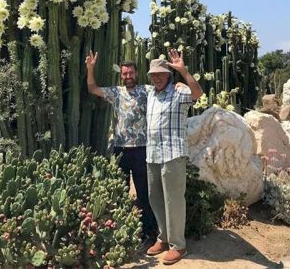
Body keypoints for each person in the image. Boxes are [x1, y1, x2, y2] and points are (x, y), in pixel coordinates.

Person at [85, 52, 158, 244]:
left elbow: (163, 87)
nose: (128, 76)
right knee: (121, 190)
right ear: (121, 75)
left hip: (142, 149)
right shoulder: (116, 92)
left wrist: (179, 80)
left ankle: (147, 231)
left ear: (136, 73)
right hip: (120, 149)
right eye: (125, 74)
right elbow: (92, 88)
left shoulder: (147, 90)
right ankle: (121, 228)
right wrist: (90, 68)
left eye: (131, 73)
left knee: (143, 193)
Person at [143, 49, 203, 265]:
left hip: (172, 154)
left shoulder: (179, 91)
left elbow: (198, 94)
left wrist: (184, 71)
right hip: (152, 154)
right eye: (153, 74)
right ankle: (164, 238)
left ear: (168, 75)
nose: (157, 77)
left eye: (161, 73)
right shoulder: (150, 94)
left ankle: (179, 245)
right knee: (156, 198)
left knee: (174, 200)